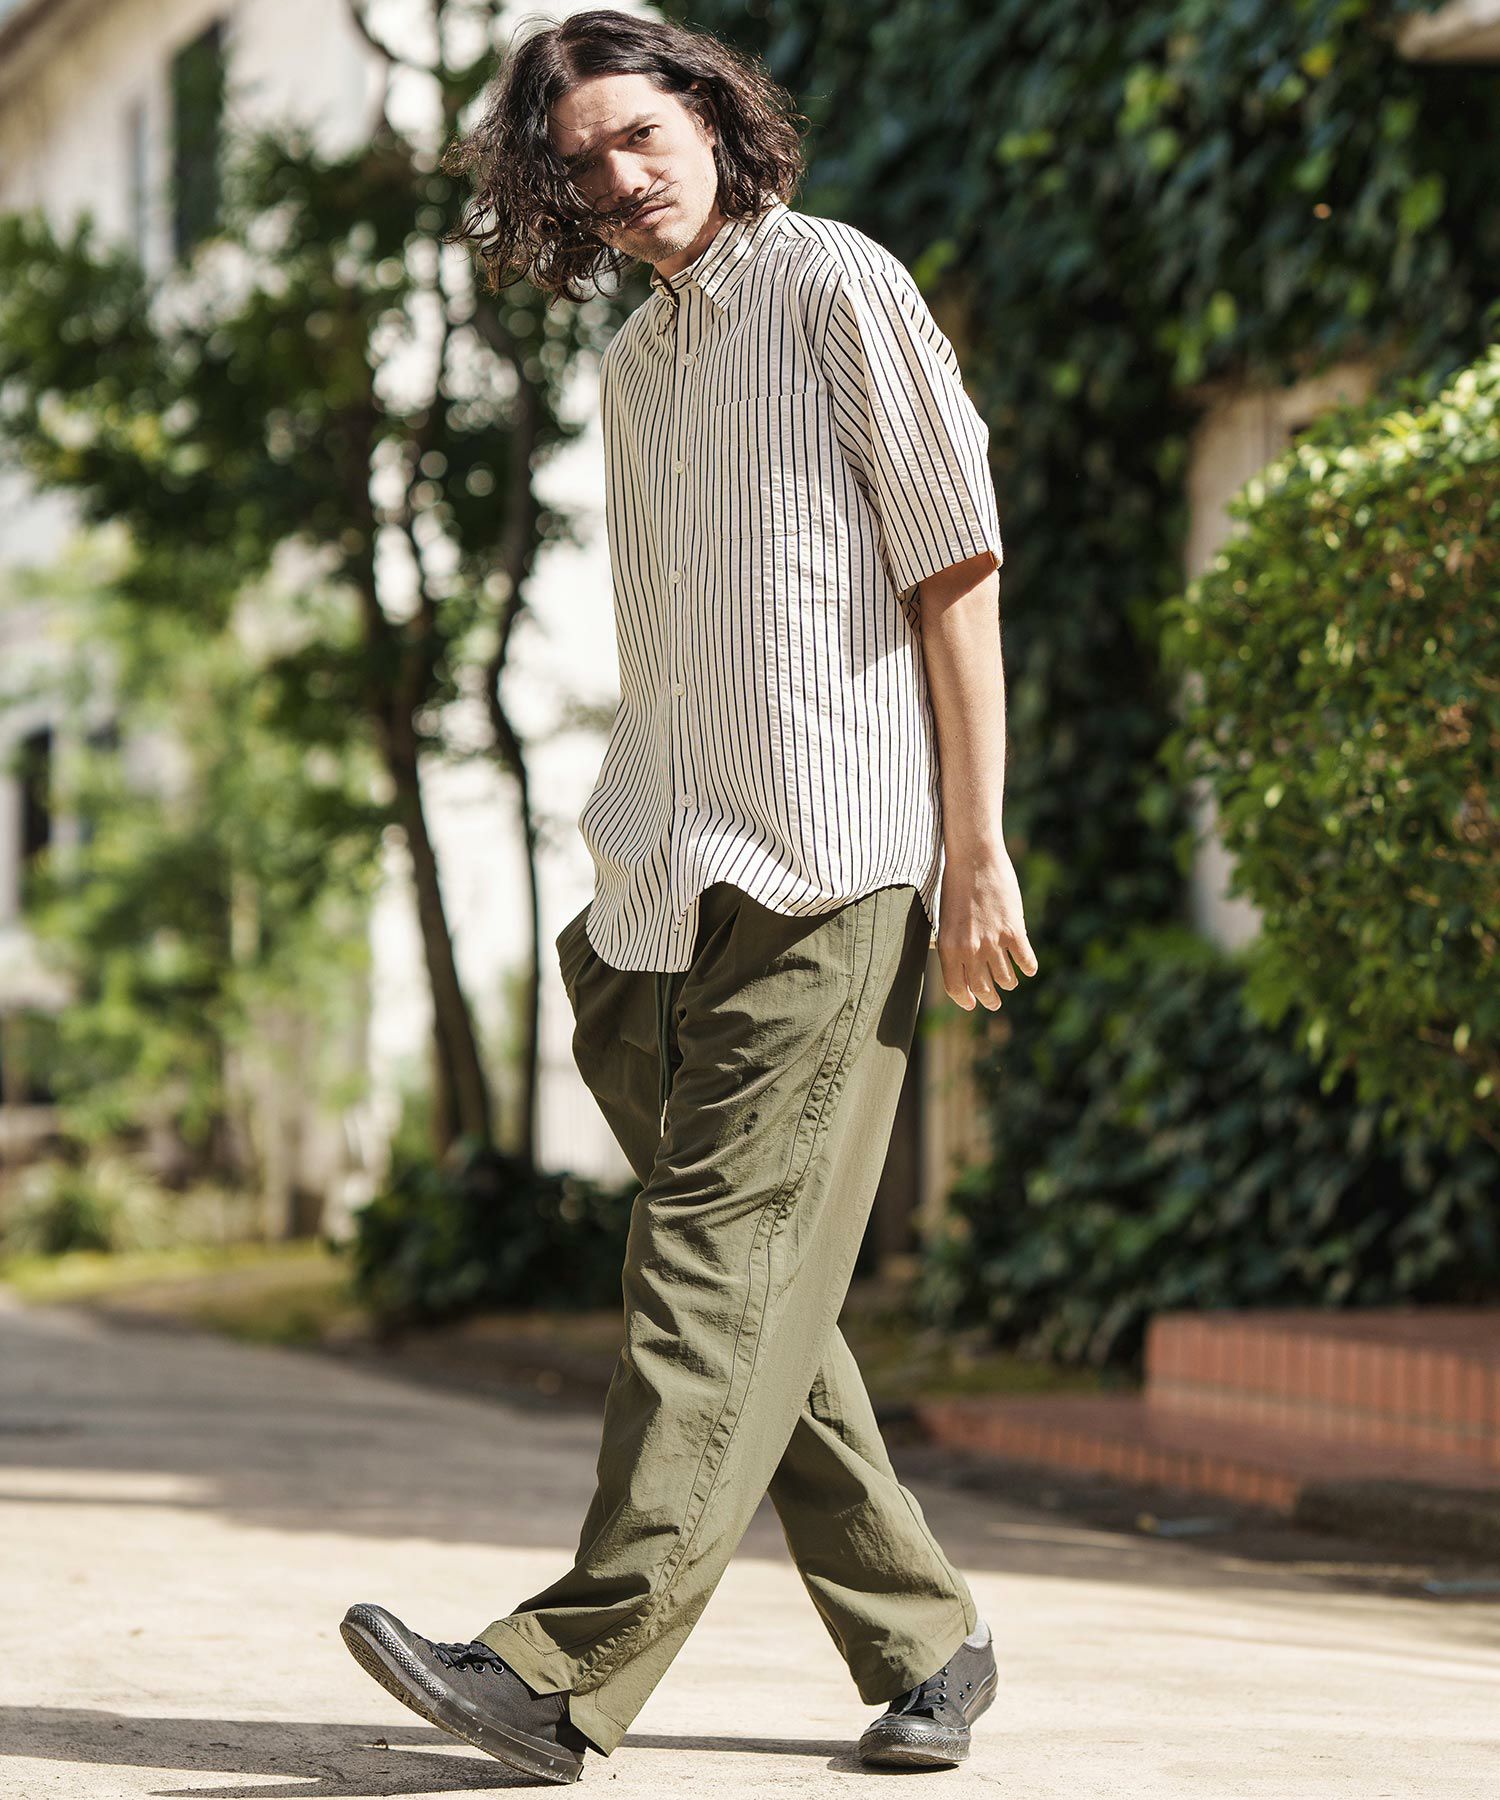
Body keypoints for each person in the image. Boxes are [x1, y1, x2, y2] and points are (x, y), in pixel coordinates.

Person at [341, 8, 1036, 1784]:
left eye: (641, 135)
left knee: (708, 1271)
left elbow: (956, 565)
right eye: (579, 163)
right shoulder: (638, 363)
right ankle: (928, 1637)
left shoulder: (836, 285)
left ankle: (559, 1675)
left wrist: (975, 845)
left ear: (716, 117)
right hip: (658, 877)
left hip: (831, 861)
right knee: (752, 1287)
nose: (619, 177)